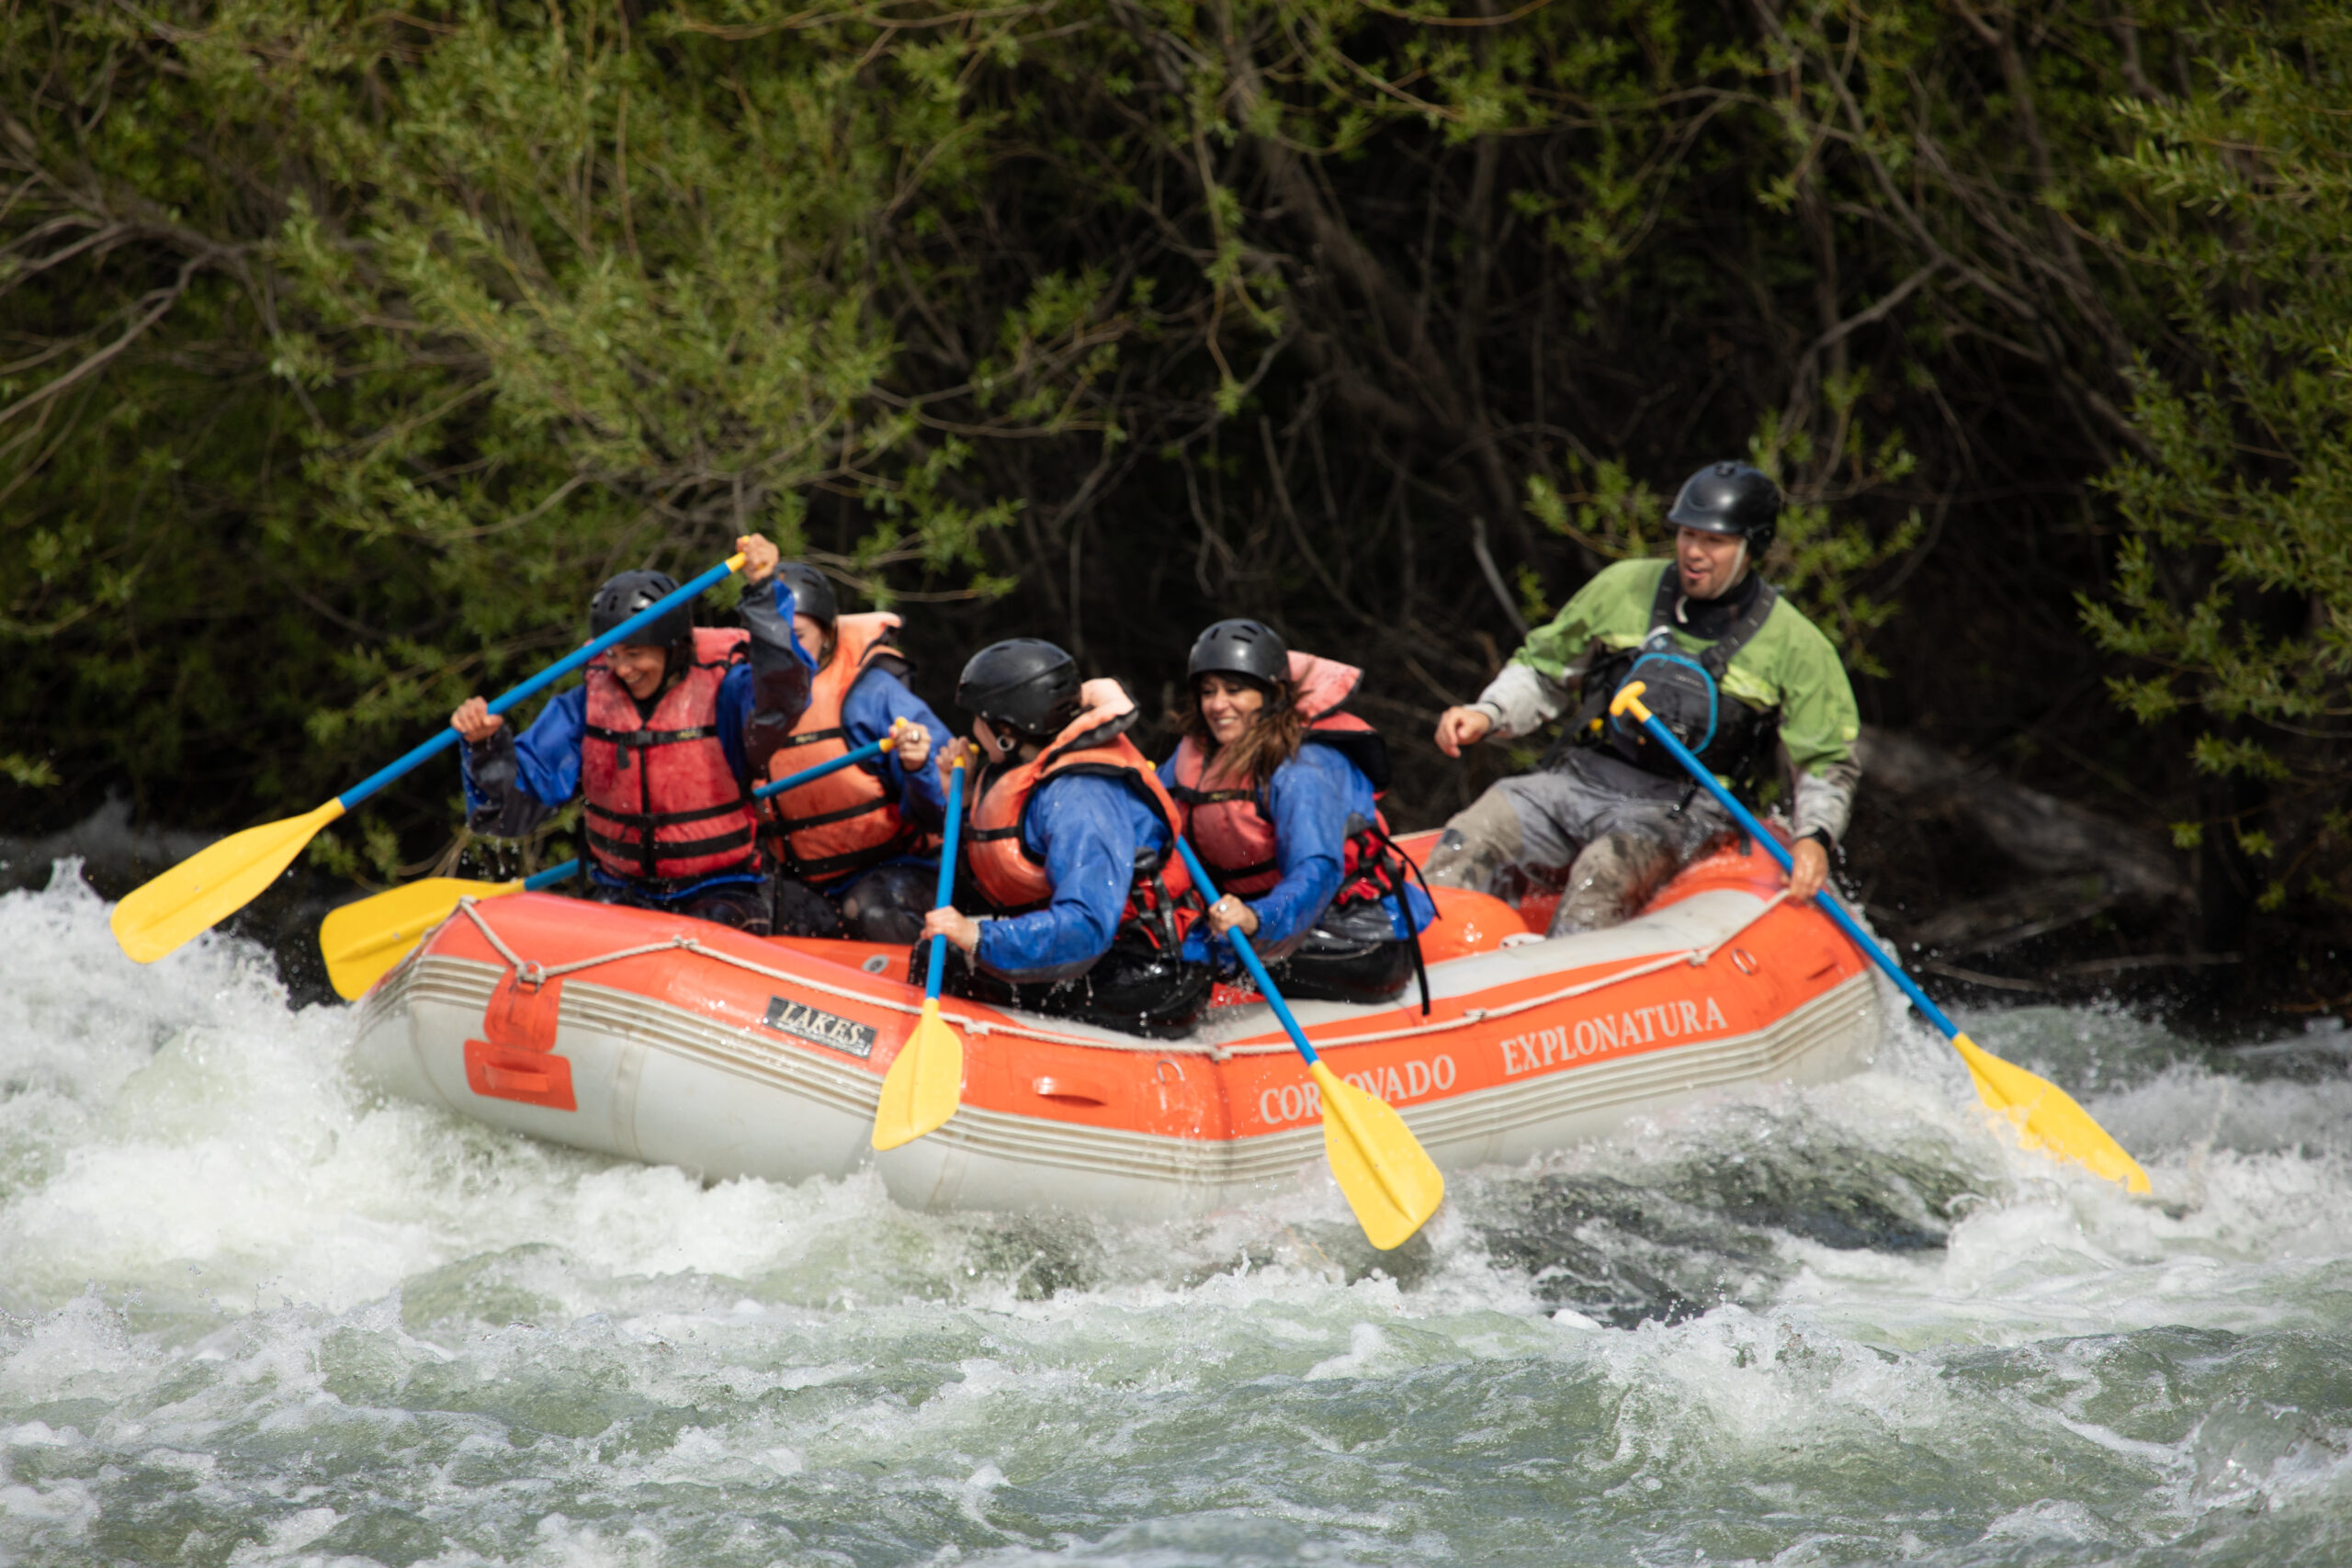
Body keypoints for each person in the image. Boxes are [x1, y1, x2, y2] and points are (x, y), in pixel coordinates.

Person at [1425, 461, 1860, 933]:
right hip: (1583, 779)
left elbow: (1825, 761)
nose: (1694, 552)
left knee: (1603, 872)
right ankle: (1432, 956)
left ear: (1751, 547)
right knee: (1477, 829)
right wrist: (1487, 713)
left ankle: (1570, 983)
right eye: (1687, 535)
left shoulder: (1796, 645)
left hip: (1685, 809)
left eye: (1714, 541)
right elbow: (1543, 669)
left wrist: (1814, 836)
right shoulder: (1622, 587)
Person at [449, 535, 817, 932]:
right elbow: (510, 813)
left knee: (718, 924)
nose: (623, 669)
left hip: (722, 891)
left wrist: (763, 592)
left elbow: (783, 693)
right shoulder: (584, 707)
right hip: (621, 891)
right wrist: (484, 746)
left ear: (674, 648)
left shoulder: (728, 694)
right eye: (614, 654)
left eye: (636, 653)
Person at [917, 640, 1212, 1037]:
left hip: (1150, 972)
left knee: (948, 962)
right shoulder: (1035, 773)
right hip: (1107, 955)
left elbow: (1088, 926)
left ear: (1005, 731)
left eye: (977, 720)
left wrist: (978, 936)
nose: (970, 731)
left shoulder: (1080, 796)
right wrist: (965, 800)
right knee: (942, 954)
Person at [1161, 619, 1435, 1006]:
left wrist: (1256, 918)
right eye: (1208, 691)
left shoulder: (1302, 768)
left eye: (1234, 690)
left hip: (1355, 935)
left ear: (1271, 693)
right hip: (1257, 921)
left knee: (1190, 960)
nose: (1217, 704)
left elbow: (1317, 872)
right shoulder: (1199, 755)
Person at [754, 564, 954, 942]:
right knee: (760, 913)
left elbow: (941, 810)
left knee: (871, 908)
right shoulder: (748, 699)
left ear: (828, 634)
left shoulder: (873, 694)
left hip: (898, 867)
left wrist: (917, 766)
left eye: (797, 635)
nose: (784, 650)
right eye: (770, 637)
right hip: (806, 877)